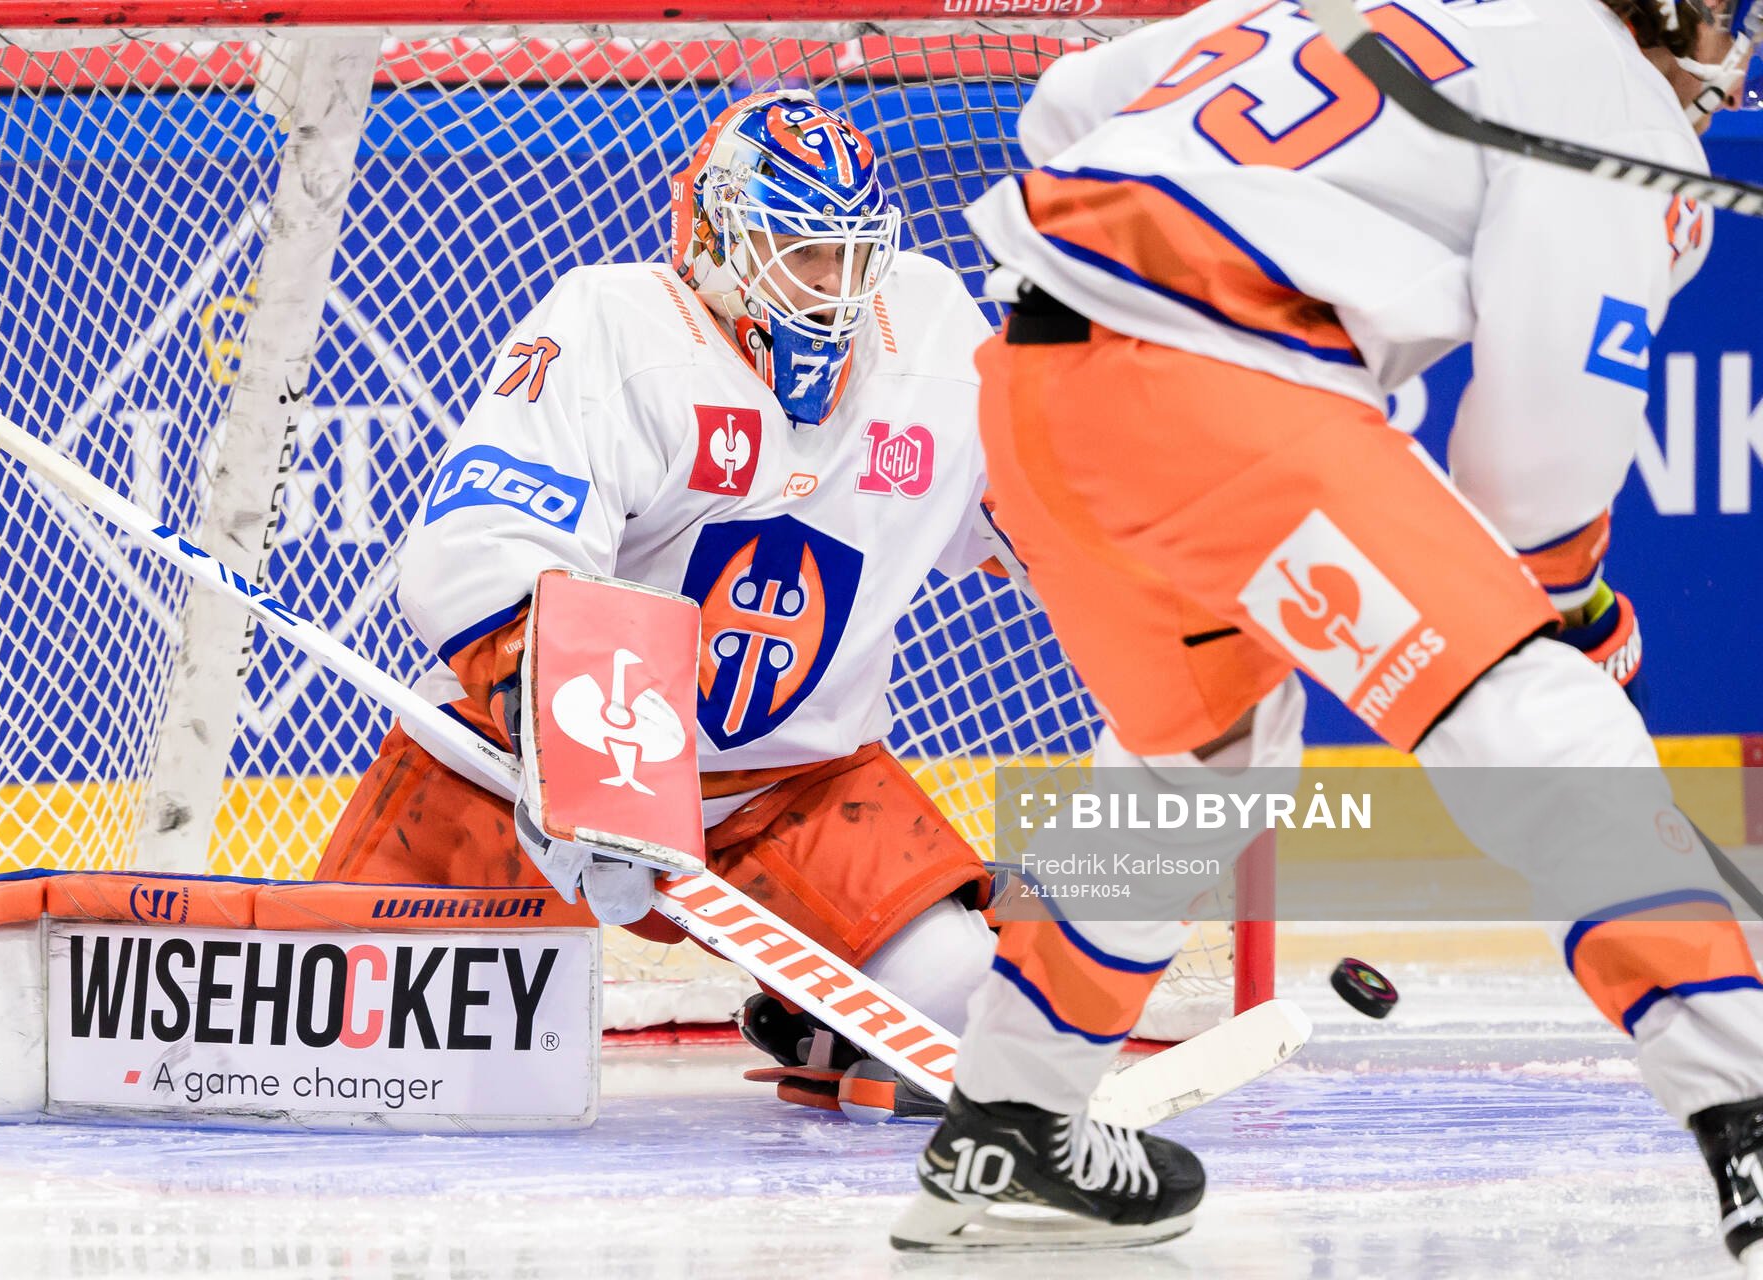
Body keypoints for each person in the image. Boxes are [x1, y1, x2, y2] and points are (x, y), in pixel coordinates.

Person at [892, 0, 1763, 1255]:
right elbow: (1536, 472)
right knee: (1538, 716)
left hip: (1034, 393)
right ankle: (1746, 1108)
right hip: (1218, 386)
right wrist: (1570, 605)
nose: (1727, 45)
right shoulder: (1615, 101)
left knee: (1195, 768)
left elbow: (1072, 101)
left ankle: (1010, 1118)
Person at [314, 90, 1009, 1101]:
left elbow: (1037, 518)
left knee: (968, 1004)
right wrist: (590, 772)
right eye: (800, 248)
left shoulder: (934, 334)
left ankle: (821, 1016)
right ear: (718, 235)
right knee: (368, 1052)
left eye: (855, 254)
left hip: (796, 788)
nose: (833, 286)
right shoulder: (618, 325)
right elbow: (481, 548)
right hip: (522, 782)